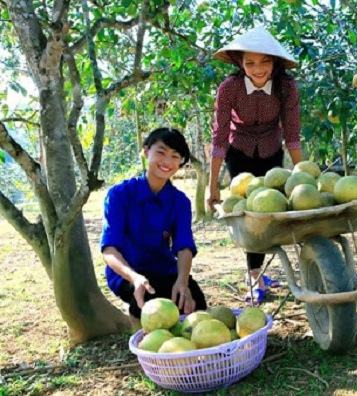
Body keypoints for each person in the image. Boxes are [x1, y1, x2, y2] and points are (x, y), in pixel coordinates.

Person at [206, 26, 302, 304]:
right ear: (240, 63)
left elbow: (292, 135)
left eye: (265, 61)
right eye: (250, 62)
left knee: (272, 209)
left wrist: (303, 177)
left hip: (272, 150)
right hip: (240, 152)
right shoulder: (229, 89)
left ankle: (263, 267)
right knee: (250, 214)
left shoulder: (286, 87)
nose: (258, 69)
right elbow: (219, 138)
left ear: (276, 62)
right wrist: (211, 187)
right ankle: (254, 274)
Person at [101, 127, 207, 328]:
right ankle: (140, 337)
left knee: (195, 305)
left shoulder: (180, 201)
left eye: (175, 156)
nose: (167, 162)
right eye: (161, 152)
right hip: (128, 272)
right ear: (146, 151)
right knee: (149, 304)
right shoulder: (119, 195)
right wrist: (134, 277)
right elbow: (109, 250)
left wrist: (182, 282)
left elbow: (184, 247)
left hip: (163, 269)